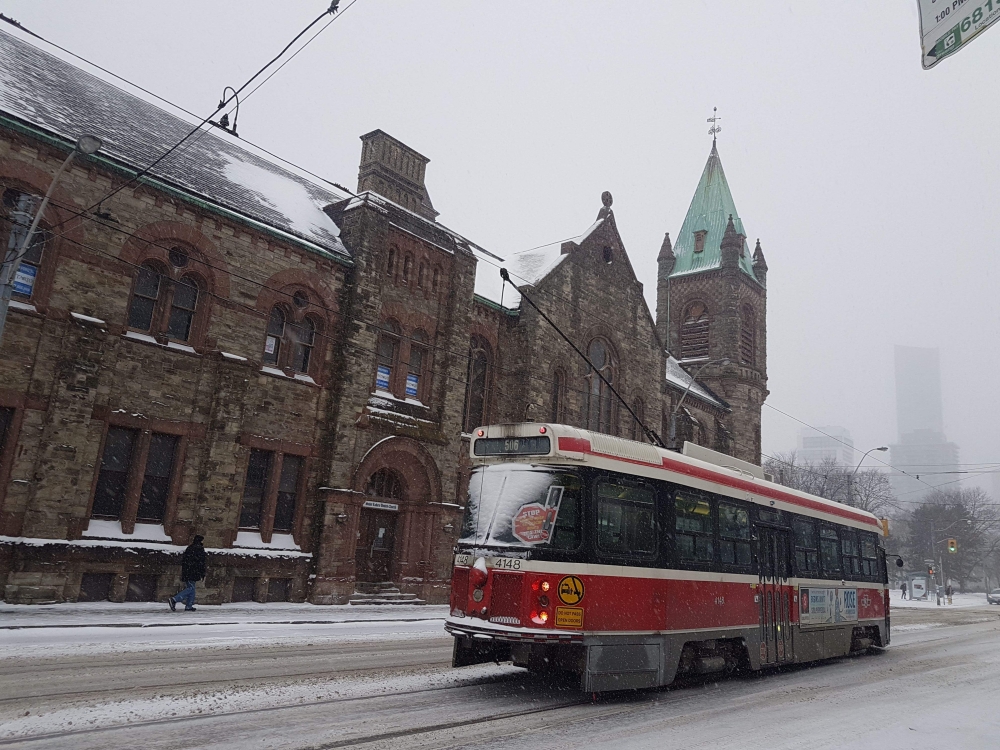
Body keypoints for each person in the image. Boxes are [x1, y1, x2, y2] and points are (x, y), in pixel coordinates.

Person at [168, 535, 206, 611]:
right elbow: (201, 562)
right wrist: (202, 573)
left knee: (192, 588)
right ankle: (174, 599)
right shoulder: (199, 549)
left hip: (188, 571)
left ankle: (189, 605)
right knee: (190, 588)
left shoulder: (190, 548)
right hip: (193, 572)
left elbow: (185, 560)